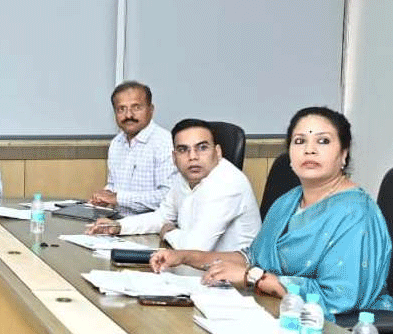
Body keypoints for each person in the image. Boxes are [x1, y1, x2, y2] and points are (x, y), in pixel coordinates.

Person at [150, 107, 393, 319]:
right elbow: (251, 258)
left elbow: (339, 298)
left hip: (337, 332)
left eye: (323, 141)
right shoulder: (287, 202)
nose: (309, 150)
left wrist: (253, 278)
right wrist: (184, 257)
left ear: (344, 154)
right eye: (300, 141)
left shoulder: (356, 213)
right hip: (274, 311)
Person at [87, 118, 261, 252]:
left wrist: (169, 232)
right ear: (174, 157)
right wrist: (119, 226)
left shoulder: (228, 183)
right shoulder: (184, 176)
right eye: (183, 150)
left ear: (218, 152)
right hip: (195, 268)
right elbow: (162, 217)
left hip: (231, 280)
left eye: (202, 148)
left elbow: (195, 248)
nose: (192, 157)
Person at [89, 81, 175, 215]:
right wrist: (104, 196)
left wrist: (118, 198)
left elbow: (168, 196)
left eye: (136, 108)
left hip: (151, 224)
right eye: (121, 109)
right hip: (117, 220)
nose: (128, 115)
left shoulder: (164, 142)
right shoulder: (116, 143)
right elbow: (113, 185)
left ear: (151, 110)